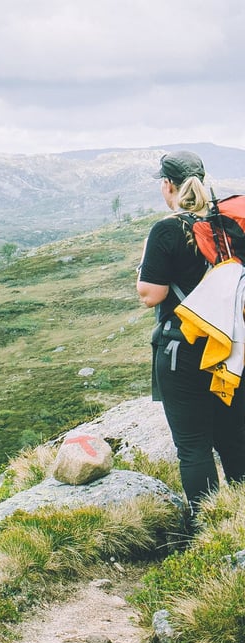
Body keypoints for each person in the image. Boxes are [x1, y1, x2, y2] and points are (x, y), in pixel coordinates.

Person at [136, 150, 245, 514]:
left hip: (183, 350)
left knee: (194, 446)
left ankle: (208, 522)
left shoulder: (167, 230)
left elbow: (151, 295)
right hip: (230, 347)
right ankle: (238, 520)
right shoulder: (228, 224)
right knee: (234, 439)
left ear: (167, 185)